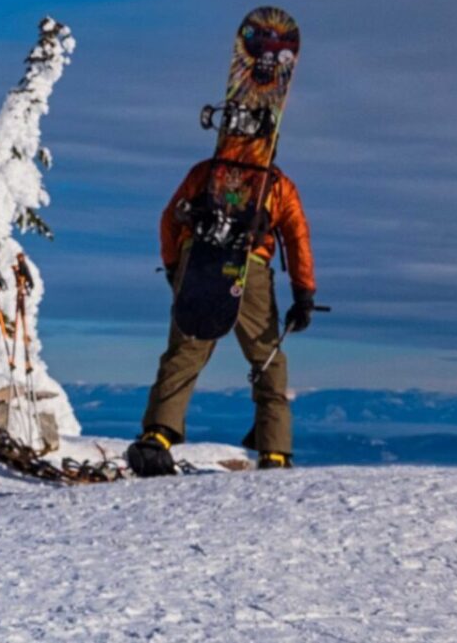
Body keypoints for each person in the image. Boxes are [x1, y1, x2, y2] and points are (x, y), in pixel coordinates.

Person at [127, 131, 316, 474]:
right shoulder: (276, 183)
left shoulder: (204, 173)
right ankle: (274, 452)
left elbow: (169, 218)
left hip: (198, 263)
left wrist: (174, 267)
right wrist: (304, 293)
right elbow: (296, 236)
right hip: (250, 267)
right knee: (266, 357)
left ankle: (158, 435)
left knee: (185, 351)